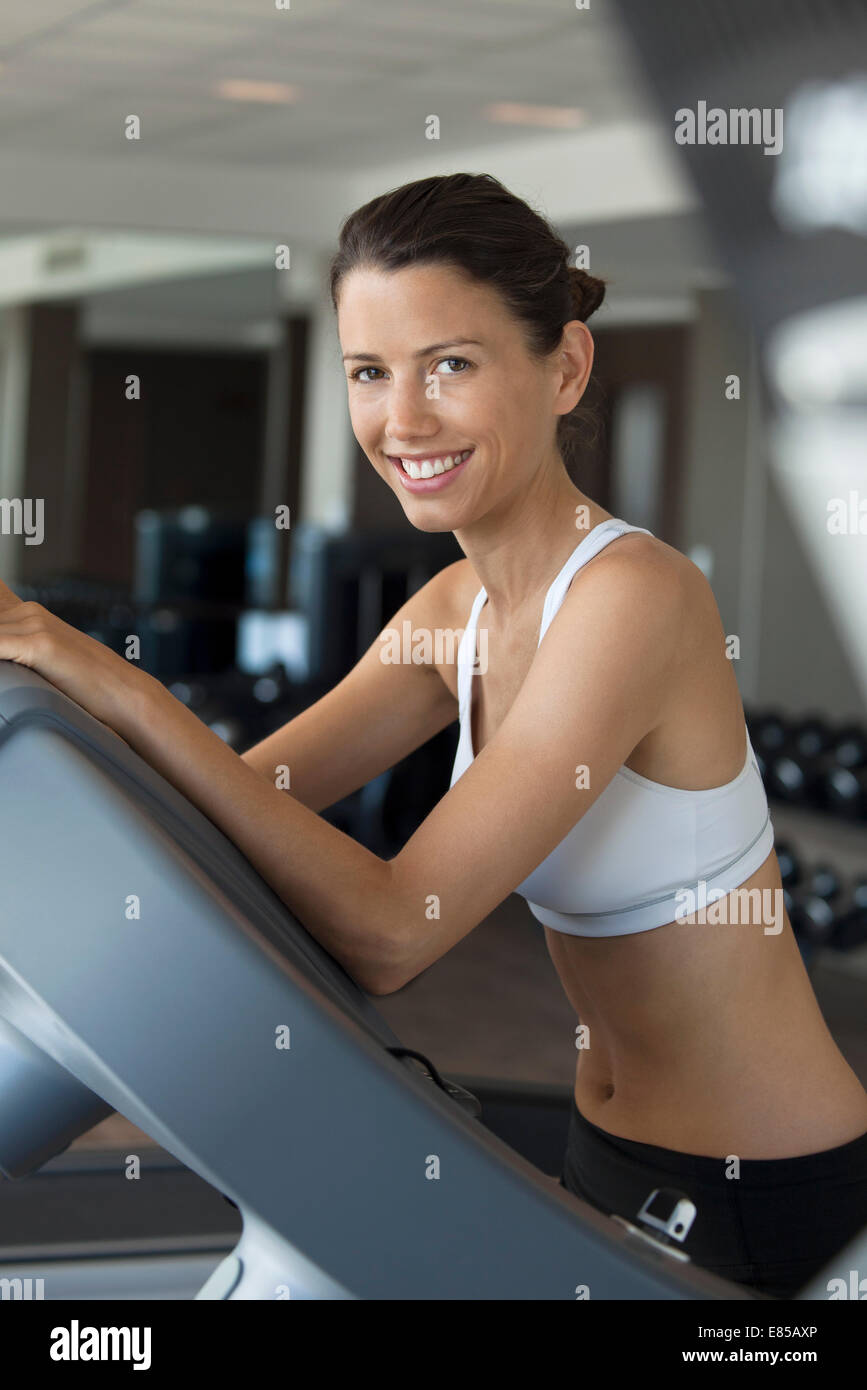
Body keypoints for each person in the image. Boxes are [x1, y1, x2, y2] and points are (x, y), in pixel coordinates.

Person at [1, 172, 865, 1300]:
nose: (401, 421)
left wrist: (109, 677)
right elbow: (228, 803)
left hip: (769, 1197)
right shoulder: (451, 616)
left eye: (449, 365)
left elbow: (394, 933)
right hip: (610, 1161)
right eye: (370, 372)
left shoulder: (635, 600)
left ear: (564, 369)